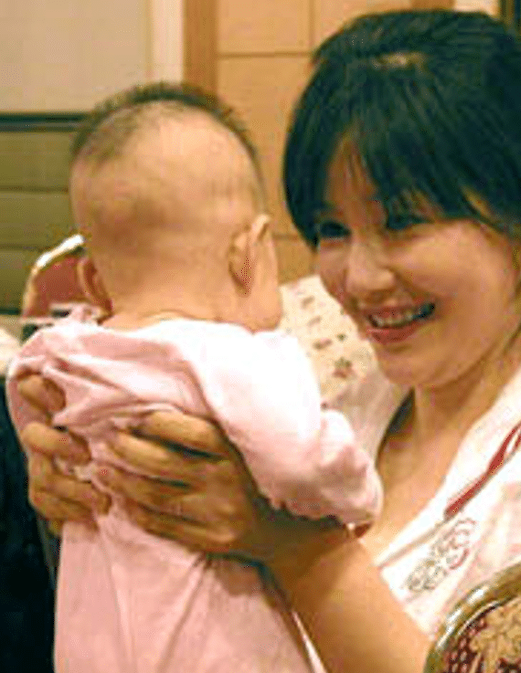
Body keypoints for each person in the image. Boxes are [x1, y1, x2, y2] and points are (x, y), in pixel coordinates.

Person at [14, 10, 521, 673]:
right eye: (331, 229)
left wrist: (300, 550)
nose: (360, 277)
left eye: (402, 221)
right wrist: (90, 479)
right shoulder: (331, 394)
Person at [6, 82, 382, 673]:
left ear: (93, 283)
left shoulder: (65, 351)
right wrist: (359, 494)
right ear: (250, 254)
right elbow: (300, 460)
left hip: (91, 644)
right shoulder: (237, 356)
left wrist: (51, 464)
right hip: (212, 650)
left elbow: (25, 399)